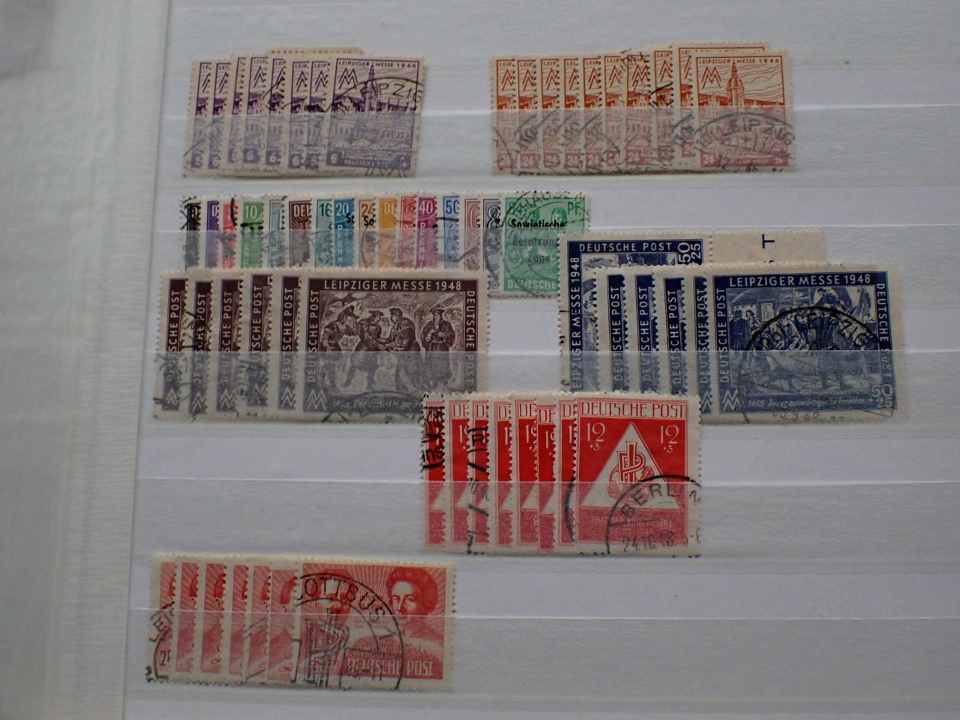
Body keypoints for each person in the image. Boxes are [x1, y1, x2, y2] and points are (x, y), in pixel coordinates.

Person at [345, 309, 385, 389]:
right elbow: (365, 337)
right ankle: (348, 381)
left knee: (372, 366)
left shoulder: (378, 327)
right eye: (378, 317)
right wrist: (378, 345)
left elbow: (377, 338)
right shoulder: (364, 323)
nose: (379, 319)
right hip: (363, 348)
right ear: (373, 316)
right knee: (355, 363)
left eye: (380, 317)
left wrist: (384, 343)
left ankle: (369, 384)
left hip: (373, 349)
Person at [385, 307, 421, 392]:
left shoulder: (406, 324)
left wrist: (390, 345)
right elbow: (390, 339)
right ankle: (402, 390)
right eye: (391, 315)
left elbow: (405, 342)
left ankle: (413, 390)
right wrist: (378, 341)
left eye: (393, 315)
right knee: (401, 372)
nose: (391, 317)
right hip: (403, 352)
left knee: (410, 371)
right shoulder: (395, 326)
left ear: (398, 316)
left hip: (411, 352)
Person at [420, 308, 455, 389]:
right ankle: (432, 381)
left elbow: (451, 336)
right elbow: (423, 337)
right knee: (431, 365)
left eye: (438, 315)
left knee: (442, 365)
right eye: (435, 315)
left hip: (441, 348)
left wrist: (444, 335)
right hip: (431, 349)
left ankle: (443, 382)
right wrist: (429, 334)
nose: (436, 317)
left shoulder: (446, 325)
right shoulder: (429, 325)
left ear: (441, 315)